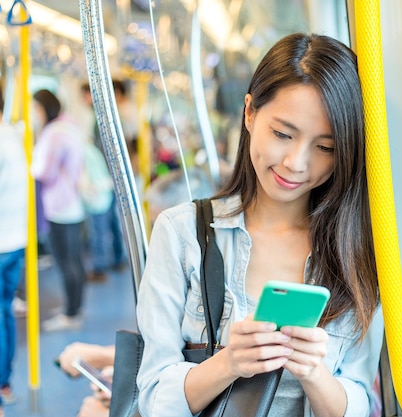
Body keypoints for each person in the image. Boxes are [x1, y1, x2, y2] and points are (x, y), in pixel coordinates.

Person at [136, 33, 384, 417]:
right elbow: (153, 398)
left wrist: (315, 374)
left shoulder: (358, 252)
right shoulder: (182, 233)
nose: (296, 163)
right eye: (283, 134)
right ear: (250, 113)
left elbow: (361, 400)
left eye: (325, 148)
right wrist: (229, 362)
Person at [31, 89, 88, 331]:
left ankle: (71, 313)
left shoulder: (54, 135)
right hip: (73, 202)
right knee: (74, 260)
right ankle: (74, 308)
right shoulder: (70, 128)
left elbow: (45, 171)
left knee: (67, 262)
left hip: (59, 205)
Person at [79, 82, 128, 281]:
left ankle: (100, 265)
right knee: (111, 220)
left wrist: (102, 179)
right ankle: (117, 258)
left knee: (100, 221)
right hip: (112, 177)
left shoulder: (101, 119)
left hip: (105, 177)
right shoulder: (107, 116)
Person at [0, 92, 27, 414]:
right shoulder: (13, 134)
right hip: (15, 239)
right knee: (4, 312)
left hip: (2, 241)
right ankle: (4, 383)